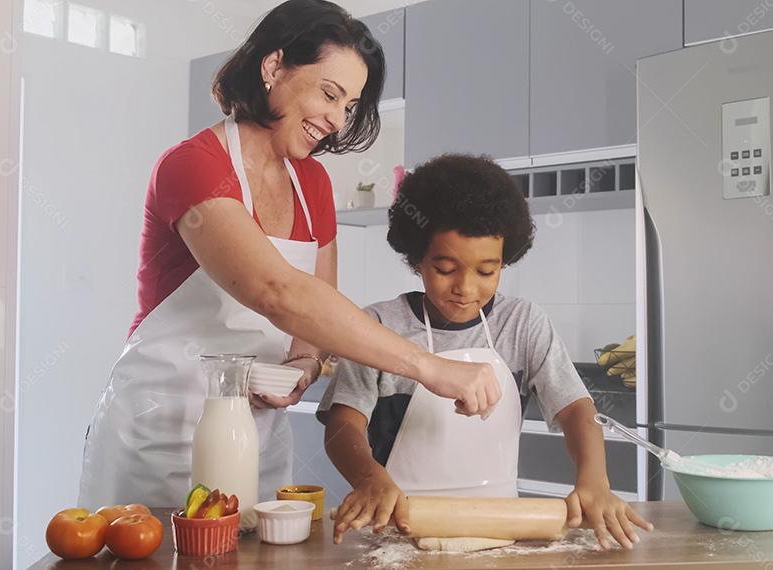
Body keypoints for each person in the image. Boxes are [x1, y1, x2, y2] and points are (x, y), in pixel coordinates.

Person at [78, 1, 500, 510]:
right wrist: (428, 367)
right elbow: (276, 292)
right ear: (273, 67)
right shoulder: (192, 166)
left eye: (349, 104)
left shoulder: (313, 183)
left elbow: (315, 306)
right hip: (161, 431)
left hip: (256, 430)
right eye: (329, 93)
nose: (338, 119)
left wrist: (303, 363)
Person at [317, 154, 653, 549]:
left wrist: (594, 480)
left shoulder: (522, 323)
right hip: (394, 535)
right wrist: (368, 477)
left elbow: (578, 410)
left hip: (497, 533)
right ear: (416, 259)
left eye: (486, 271)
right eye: (445, 269)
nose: (466, 288)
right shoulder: (376, 327)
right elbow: (342, 425)